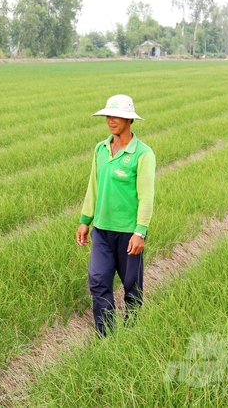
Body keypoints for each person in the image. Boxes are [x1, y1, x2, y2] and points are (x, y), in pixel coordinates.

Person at [76, 94, 156, 336]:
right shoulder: (101, 149)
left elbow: (146, 196)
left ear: (129, 120)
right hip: (102, 230)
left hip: (129, 233)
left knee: (132, 287)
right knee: (98, 281)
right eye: (108, 115)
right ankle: (106, 336)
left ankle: (132, 332)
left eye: (116, 116)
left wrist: (140, 231)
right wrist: (85, 220)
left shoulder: (143, 154)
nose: (111, 120)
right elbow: (94, 185)